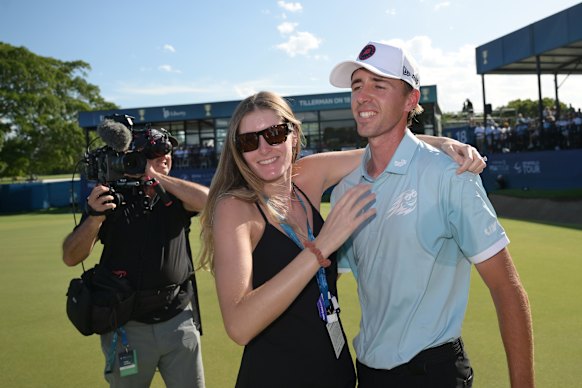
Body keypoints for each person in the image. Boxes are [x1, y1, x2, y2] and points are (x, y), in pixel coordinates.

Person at [198, 91, 487, 388]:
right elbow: (239, 326)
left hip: (337, 373)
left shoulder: (307, 177)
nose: (263, 148)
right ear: (238, 151)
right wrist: (321, 246)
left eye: (274, 134)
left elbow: (385, 149)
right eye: (249, 141)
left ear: (293, 135)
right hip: (276, 376)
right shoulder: (236, 207)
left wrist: (443, 143)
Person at [329, 41, 534, 387]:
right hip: (367, 374)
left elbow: (506, 287)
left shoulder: (449, 174)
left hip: (433, 373)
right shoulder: (344, 189)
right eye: (357, 86)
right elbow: (328, 282)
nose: (362, 96)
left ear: (411, 100)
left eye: (379, 85)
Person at [62, 126, 209, 388]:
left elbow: (210, 201)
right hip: (127, 325)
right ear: (135, 156)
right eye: (154, 151)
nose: (164, 155)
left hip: (178, 319)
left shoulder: (175, 196)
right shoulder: (112, 198)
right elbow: (72, 256)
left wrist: (157, 178)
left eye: (167, 150)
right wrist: (95, 216)